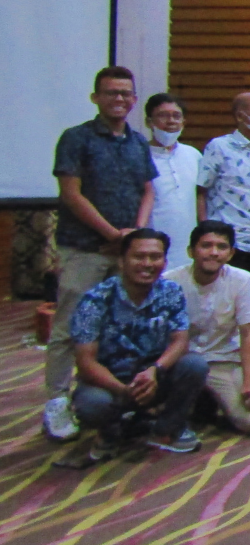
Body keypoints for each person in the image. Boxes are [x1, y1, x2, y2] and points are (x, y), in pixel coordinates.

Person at [46, 66, 158, 442]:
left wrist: (135, 237)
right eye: (111, 93)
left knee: (122, 327)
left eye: (126, 93)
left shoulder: (138, 142)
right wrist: (113, 234)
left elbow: (148, 191)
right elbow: (71, 194)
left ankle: (111, 396)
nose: (119, 99)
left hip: (126, 254)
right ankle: (57, 400)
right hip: (85, 248)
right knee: (69, 326)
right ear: (96, 97)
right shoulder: (76, 138)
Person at [70, 229, 207, 459]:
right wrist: (125, 390)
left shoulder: (171, 291)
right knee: (92, 404)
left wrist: (155, 370)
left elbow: (180, 341)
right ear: (122, 261)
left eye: (155, 257)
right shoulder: (95, 300)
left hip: (153, 377)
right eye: (139, 257)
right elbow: (85, 362)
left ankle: (165, 430)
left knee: (195, 365)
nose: (147, 263)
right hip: (109, 382)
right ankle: (110, 431)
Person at [164, 221, 250, 435]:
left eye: (221, 247)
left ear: (230, 254)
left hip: (224, 362)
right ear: (191, 251)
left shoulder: (243, 280)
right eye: (206, 245)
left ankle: (209, 400)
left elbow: (248, 334)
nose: (214, 253)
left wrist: (248, 384)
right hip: (184, 363)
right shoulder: (170, 282)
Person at [197, 93, 250, 303]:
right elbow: (201, 191)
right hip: (231, 242)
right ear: (241, 116)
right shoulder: (219, 147)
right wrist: (205, 231)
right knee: (226, 303)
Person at [145, 93, 200, 268]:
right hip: (150, 243)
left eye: (176, 116)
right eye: (163, 115)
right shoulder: (139, 155)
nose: (170, 121)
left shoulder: (194, 155)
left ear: (184, 122)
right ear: (149, 122)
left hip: (187, 244)